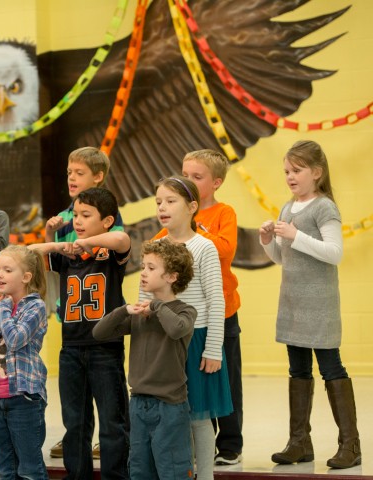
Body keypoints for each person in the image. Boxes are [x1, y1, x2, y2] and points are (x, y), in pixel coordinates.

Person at [260, 140, 361, 469]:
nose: (290, 177)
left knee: (331, 368)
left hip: (319, 305)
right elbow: (282, 257)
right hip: (292, 303)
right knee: (298, 369)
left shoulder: (324, 208)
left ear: (317, 173)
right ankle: (299, 441)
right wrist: (268, 241)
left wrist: (295, 236)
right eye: (286, 171)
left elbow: (334, 253)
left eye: (297, 170)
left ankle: (351, 444)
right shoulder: (288, 208)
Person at [30, 187, 130, 480]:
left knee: (112, 422)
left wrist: (84, 242)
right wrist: (55, 242)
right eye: (75, 214)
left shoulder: (110, 252)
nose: (77, 220)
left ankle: (116, 475)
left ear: (107, 220)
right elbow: (33, 252)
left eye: (86, 215)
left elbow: (122, 239)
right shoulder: (68, 255)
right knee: (75, 421)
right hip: (71, 347)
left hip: (105, 348)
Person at [152, 149, 244, 465]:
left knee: (224, 379)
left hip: (220, 313)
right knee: (190, 396)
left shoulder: (222, 214)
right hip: (179, 323)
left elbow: (226, 249)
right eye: (184, 174)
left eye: (196, 177)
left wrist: (196, 228)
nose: (187, 180)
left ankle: (230, 443)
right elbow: (153, 262)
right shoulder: (168, 228)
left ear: (215, 182)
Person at [143, 176, 232, 480]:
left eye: (170, 201)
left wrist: (212, 348)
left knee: (198, 417)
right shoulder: (155, 247)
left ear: (192, 206)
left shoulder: (204, 247)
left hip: (197, 340)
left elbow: (215, 300)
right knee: (169, 417)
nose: (162, 208)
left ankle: (204, 475)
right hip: (164, 343)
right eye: (158, 202)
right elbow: (146, 296)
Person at [44, 146, 125, 459]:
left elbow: (120, 240)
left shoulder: (109, 212)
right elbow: (48, 258)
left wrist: (82, 243)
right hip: (73, 336)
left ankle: (115, 460)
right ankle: (76, 457)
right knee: (75, 415)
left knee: (111, 413)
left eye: (79, 173)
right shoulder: (66, 218)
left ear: (98, 177)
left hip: (104, 335)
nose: (71, 178)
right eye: (69, 173)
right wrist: (53, 235)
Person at [93, 239, 197, 480]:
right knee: (140, 470)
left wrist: (157, 306)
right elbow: (99, 332)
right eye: (142, 267)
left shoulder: (185, 311)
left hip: (170, 407)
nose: (143, 273)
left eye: (151, 268)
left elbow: (175, 329)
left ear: (171, 276)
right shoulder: (140, 314)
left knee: (173, 470)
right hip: (139, 405)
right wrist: (124, 310)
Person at [0, 245, 48, 480]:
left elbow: (14, 339)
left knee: (29, 469)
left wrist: (3, 309)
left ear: (25, 277)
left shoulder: (36, 306)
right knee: (5, 469)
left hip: (23, 398)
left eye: (7, 270)